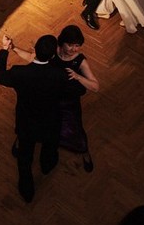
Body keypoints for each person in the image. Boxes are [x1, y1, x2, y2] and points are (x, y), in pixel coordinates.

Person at [10, 25, 98, 172]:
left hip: (68, 103)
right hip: (49, 98)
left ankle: (84, 151)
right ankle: (22, 139)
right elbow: (32, 57)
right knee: (32, 120)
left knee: (75, 129)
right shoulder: (53, 52)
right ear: (62, 43)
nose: (74, 49)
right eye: (70, 45)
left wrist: (78, 77)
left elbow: (95, 86)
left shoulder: (80, 61)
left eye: (77, 45)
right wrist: (14, 48)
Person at [0, 34, 66, 202]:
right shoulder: (59, 74)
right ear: (53, 55)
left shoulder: (20, 73)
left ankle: (27, 188)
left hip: (27, 123)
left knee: (25, 156)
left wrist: (5, 49)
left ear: (34, 51)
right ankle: (47, 165)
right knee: (50, 147)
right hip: (50, 121)